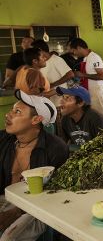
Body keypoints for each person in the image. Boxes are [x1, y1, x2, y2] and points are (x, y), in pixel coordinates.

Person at [0, 90, 68, 241]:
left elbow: (56, 193)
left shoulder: (56, 149)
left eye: (17, 111)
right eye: (12, 109)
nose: (8, 114)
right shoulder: (3, 140)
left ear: (36, 119)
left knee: (8, 238)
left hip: (36, 208)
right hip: (5, 199)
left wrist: (16, 212)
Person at [69, 38, 103, 119]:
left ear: (79, 48)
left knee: (101, 116)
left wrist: (83, 74)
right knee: (93, 117)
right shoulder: (85, 58)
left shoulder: (94, 57)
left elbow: (102, 76)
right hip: (88, 93)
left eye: (74, 51)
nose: (74, 53)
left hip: (96, 93)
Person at [32, 40, 74, 107]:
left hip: (60, 101)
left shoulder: (56, 59)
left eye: (33, 52)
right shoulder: (41, 63)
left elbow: (70, 74)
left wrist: (52, 85)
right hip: (50, 101)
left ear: (40, 50)